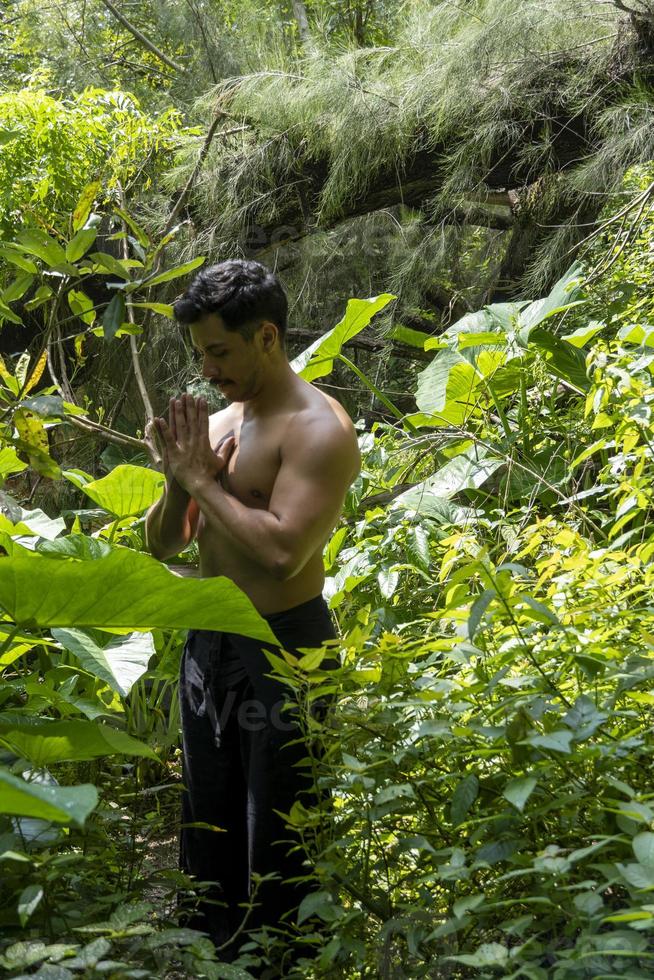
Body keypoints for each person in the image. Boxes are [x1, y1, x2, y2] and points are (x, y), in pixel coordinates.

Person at [144, 259, 361, 969]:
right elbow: (163, 540)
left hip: (285, 649)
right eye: (200, 354)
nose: (207, 370)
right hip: (211, 642)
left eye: (219, 351)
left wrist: (205, 481)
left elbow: (282, 555)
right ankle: (213, 958)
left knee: (281, 827)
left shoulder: (317, 428)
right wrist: (181, 482)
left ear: (266, 336)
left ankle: (287, 963)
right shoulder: (225, 416)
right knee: (208, 817)